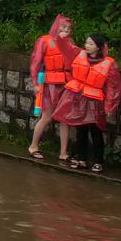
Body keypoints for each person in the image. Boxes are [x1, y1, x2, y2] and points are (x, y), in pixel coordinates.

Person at [52, 34, 121, 173]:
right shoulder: (79, 54)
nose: (87, 46)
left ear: (98, 47)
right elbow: (66, 48)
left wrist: (109, 106)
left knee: (96, 132)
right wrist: (61, 38)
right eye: (86, 43)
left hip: (95, 102)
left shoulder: (109, 64)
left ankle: (98, 161)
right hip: (79, 98)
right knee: (80, 130)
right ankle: (82, 159)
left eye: (90, 44)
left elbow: (112, 87)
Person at [26, 15, 78, 161]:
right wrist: (36, 83)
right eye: (63, 27)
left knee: (64, 119)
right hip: (50, 85)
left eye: (68, 28)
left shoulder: (70, 43)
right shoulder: (44, 41)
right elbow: (35, 63)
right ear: (56, 26)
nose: (66, 30)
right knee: (46, 117)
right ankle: (33, 146)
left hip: (66, 84)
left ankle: (63, 153)